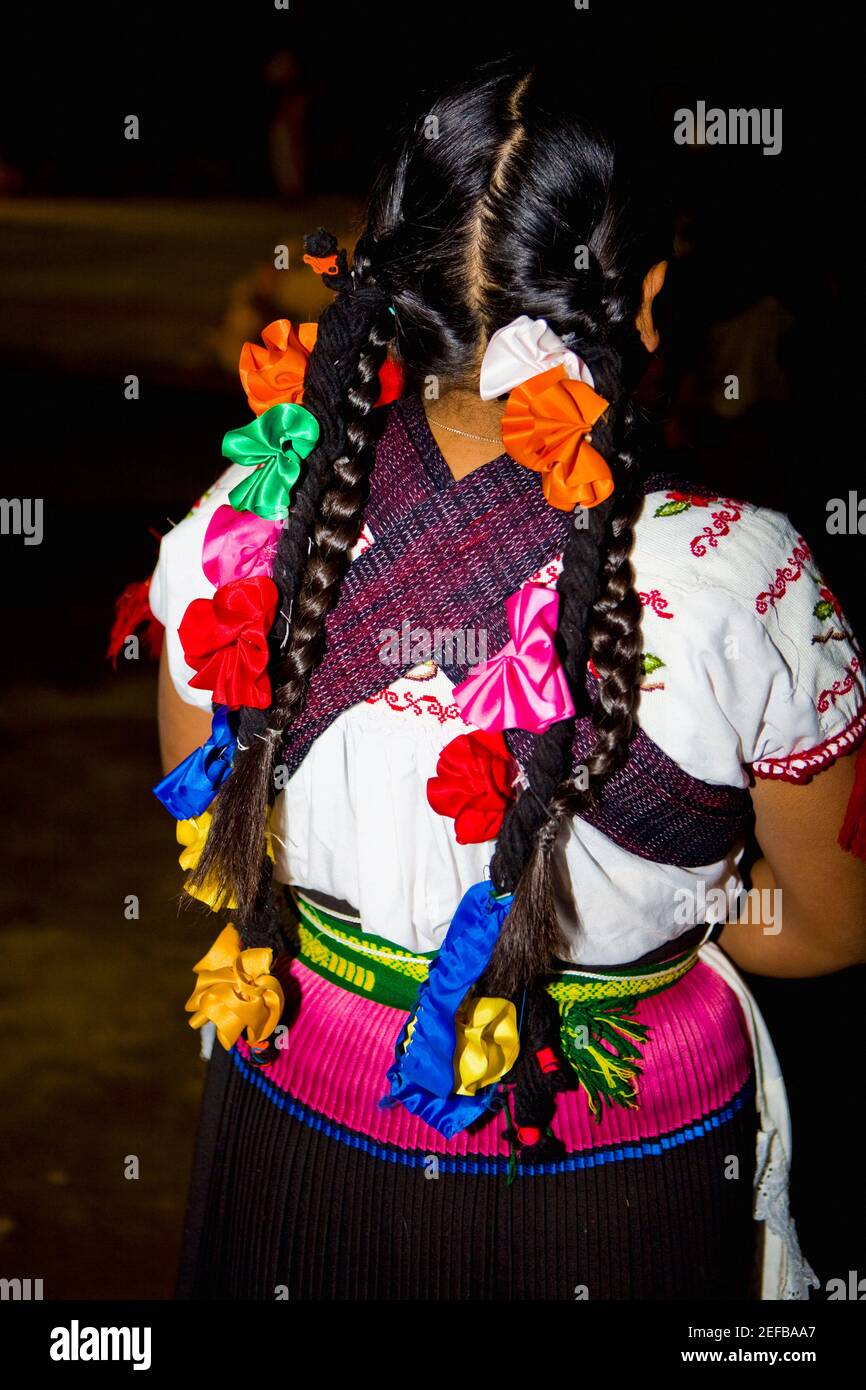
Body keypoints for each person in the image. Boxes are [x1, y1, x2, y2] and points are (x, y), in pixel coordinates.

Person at [147, 61, 866, 1300]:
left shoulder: (236, 524)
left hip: (294, 1102)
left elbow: (212, 823)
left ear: (387, 285)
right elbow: (829, 921)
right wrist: (668, 904)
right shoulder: (746, 579)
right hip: (603, 1162)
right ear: (643, 302)